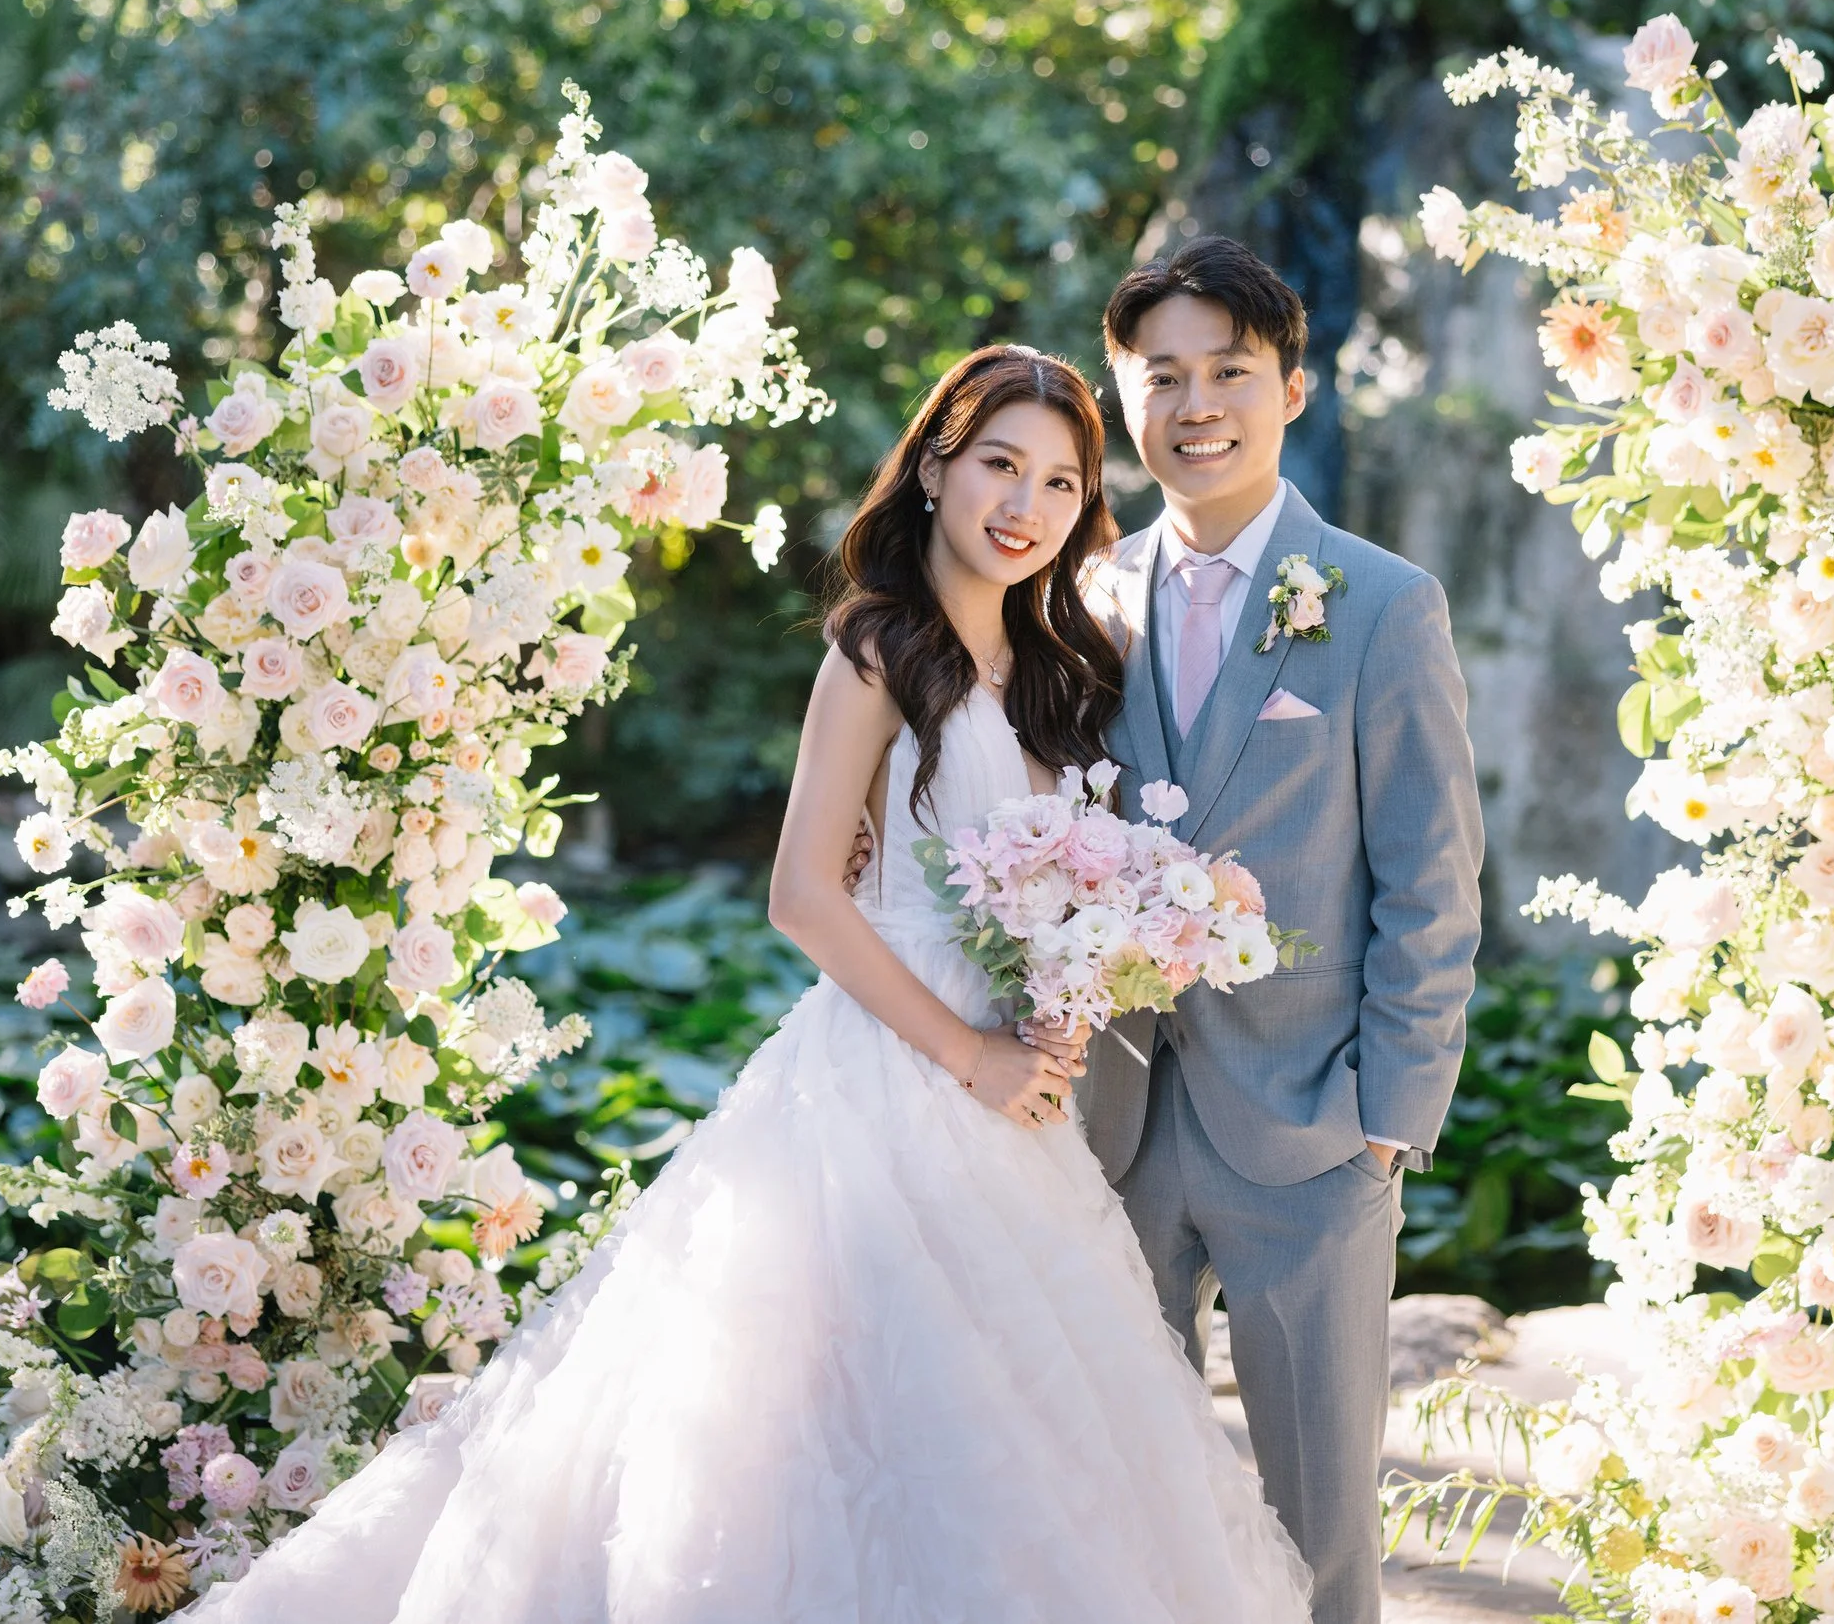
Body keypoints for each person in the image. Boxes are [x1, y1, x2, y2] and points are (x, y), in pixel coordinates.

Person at [183, 343, 1314, 1623]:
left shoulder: (1060, 669)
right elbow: (803, 894)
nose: (1025, 505)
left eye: (1060, 482)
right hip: (896, 1073)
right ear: (936, 463)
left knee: (1018, 1429)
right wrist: (971, 1051)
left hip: (1016, 1102)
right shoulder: (879, 654)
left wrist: (1071, 978)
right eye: (1000, 462)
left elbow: (1048, 878)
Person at [1066, 235, 1485, 1624]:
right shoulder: (1078, 600)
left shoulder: (1379, 602)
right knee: (1127, 1491)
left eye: (1229, 372)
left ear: (1291, 389)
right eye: (1160, 375)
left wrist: (1390, 1110)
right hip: (1112, 1118)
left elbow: (1431, 877)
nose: (1196, 404)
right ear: (1123, 398)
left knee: (1320, 1523)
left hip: (1315, 1126)